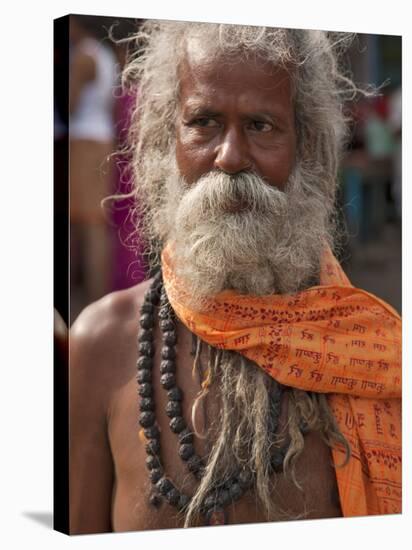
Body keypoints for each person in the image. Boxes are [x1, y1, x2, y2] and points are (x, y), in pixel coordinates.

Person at [69, 21, 401, 534]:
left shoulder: (368, 355)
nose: (229, 157)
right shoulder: (101, 343)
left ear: (306, 146)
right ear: (166, 137)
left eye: (261, 125)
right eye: (203, 121)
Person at [69, 15, 118, 315]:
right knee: (94, 225)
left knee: (87, 227)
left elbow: (68, 104)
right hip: (99, 141)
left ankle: (89, 303)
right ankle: (93, 301)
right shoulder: (105, 54)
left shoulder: (85, 54)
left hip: (83, 144)